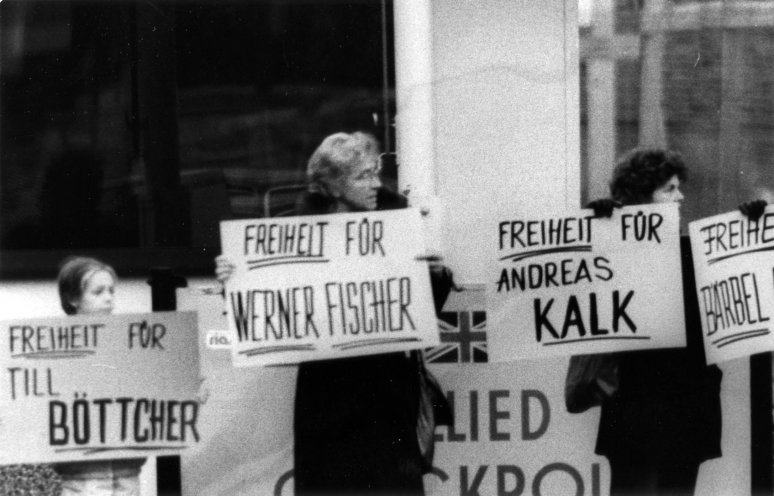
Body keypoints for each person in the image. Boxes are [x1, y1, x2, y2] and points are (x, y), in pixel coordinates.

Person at [216, 131, 454, 495]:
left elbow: (421, 312)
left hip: (387, 396)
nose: (375, 182)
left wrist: (435, 273)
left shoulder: (398, 225)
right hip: (328, 400)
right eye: (363, 176)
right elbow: (270, 313)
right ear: (334, 186)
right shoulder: (297, 236)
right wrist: (234, 281)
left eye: (375, 172)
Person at [586, 148, 724, 496]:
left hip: (685, 411)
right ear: (641, 196)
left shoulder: (694, 252)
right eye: (669, 189)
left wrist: (753, 230)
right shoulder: (613, 253)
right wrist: (594, 229)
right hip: (639, 413)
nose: (680, 197)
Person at [54, 256, 146, 496]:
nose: (108, 298)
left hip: (128, 477)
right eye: (98, 292)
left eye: (111, 291)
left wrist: (186, 394)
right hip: (80, 481)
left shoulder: (134, 347)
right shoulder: (52, 353)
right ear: (73, 298)